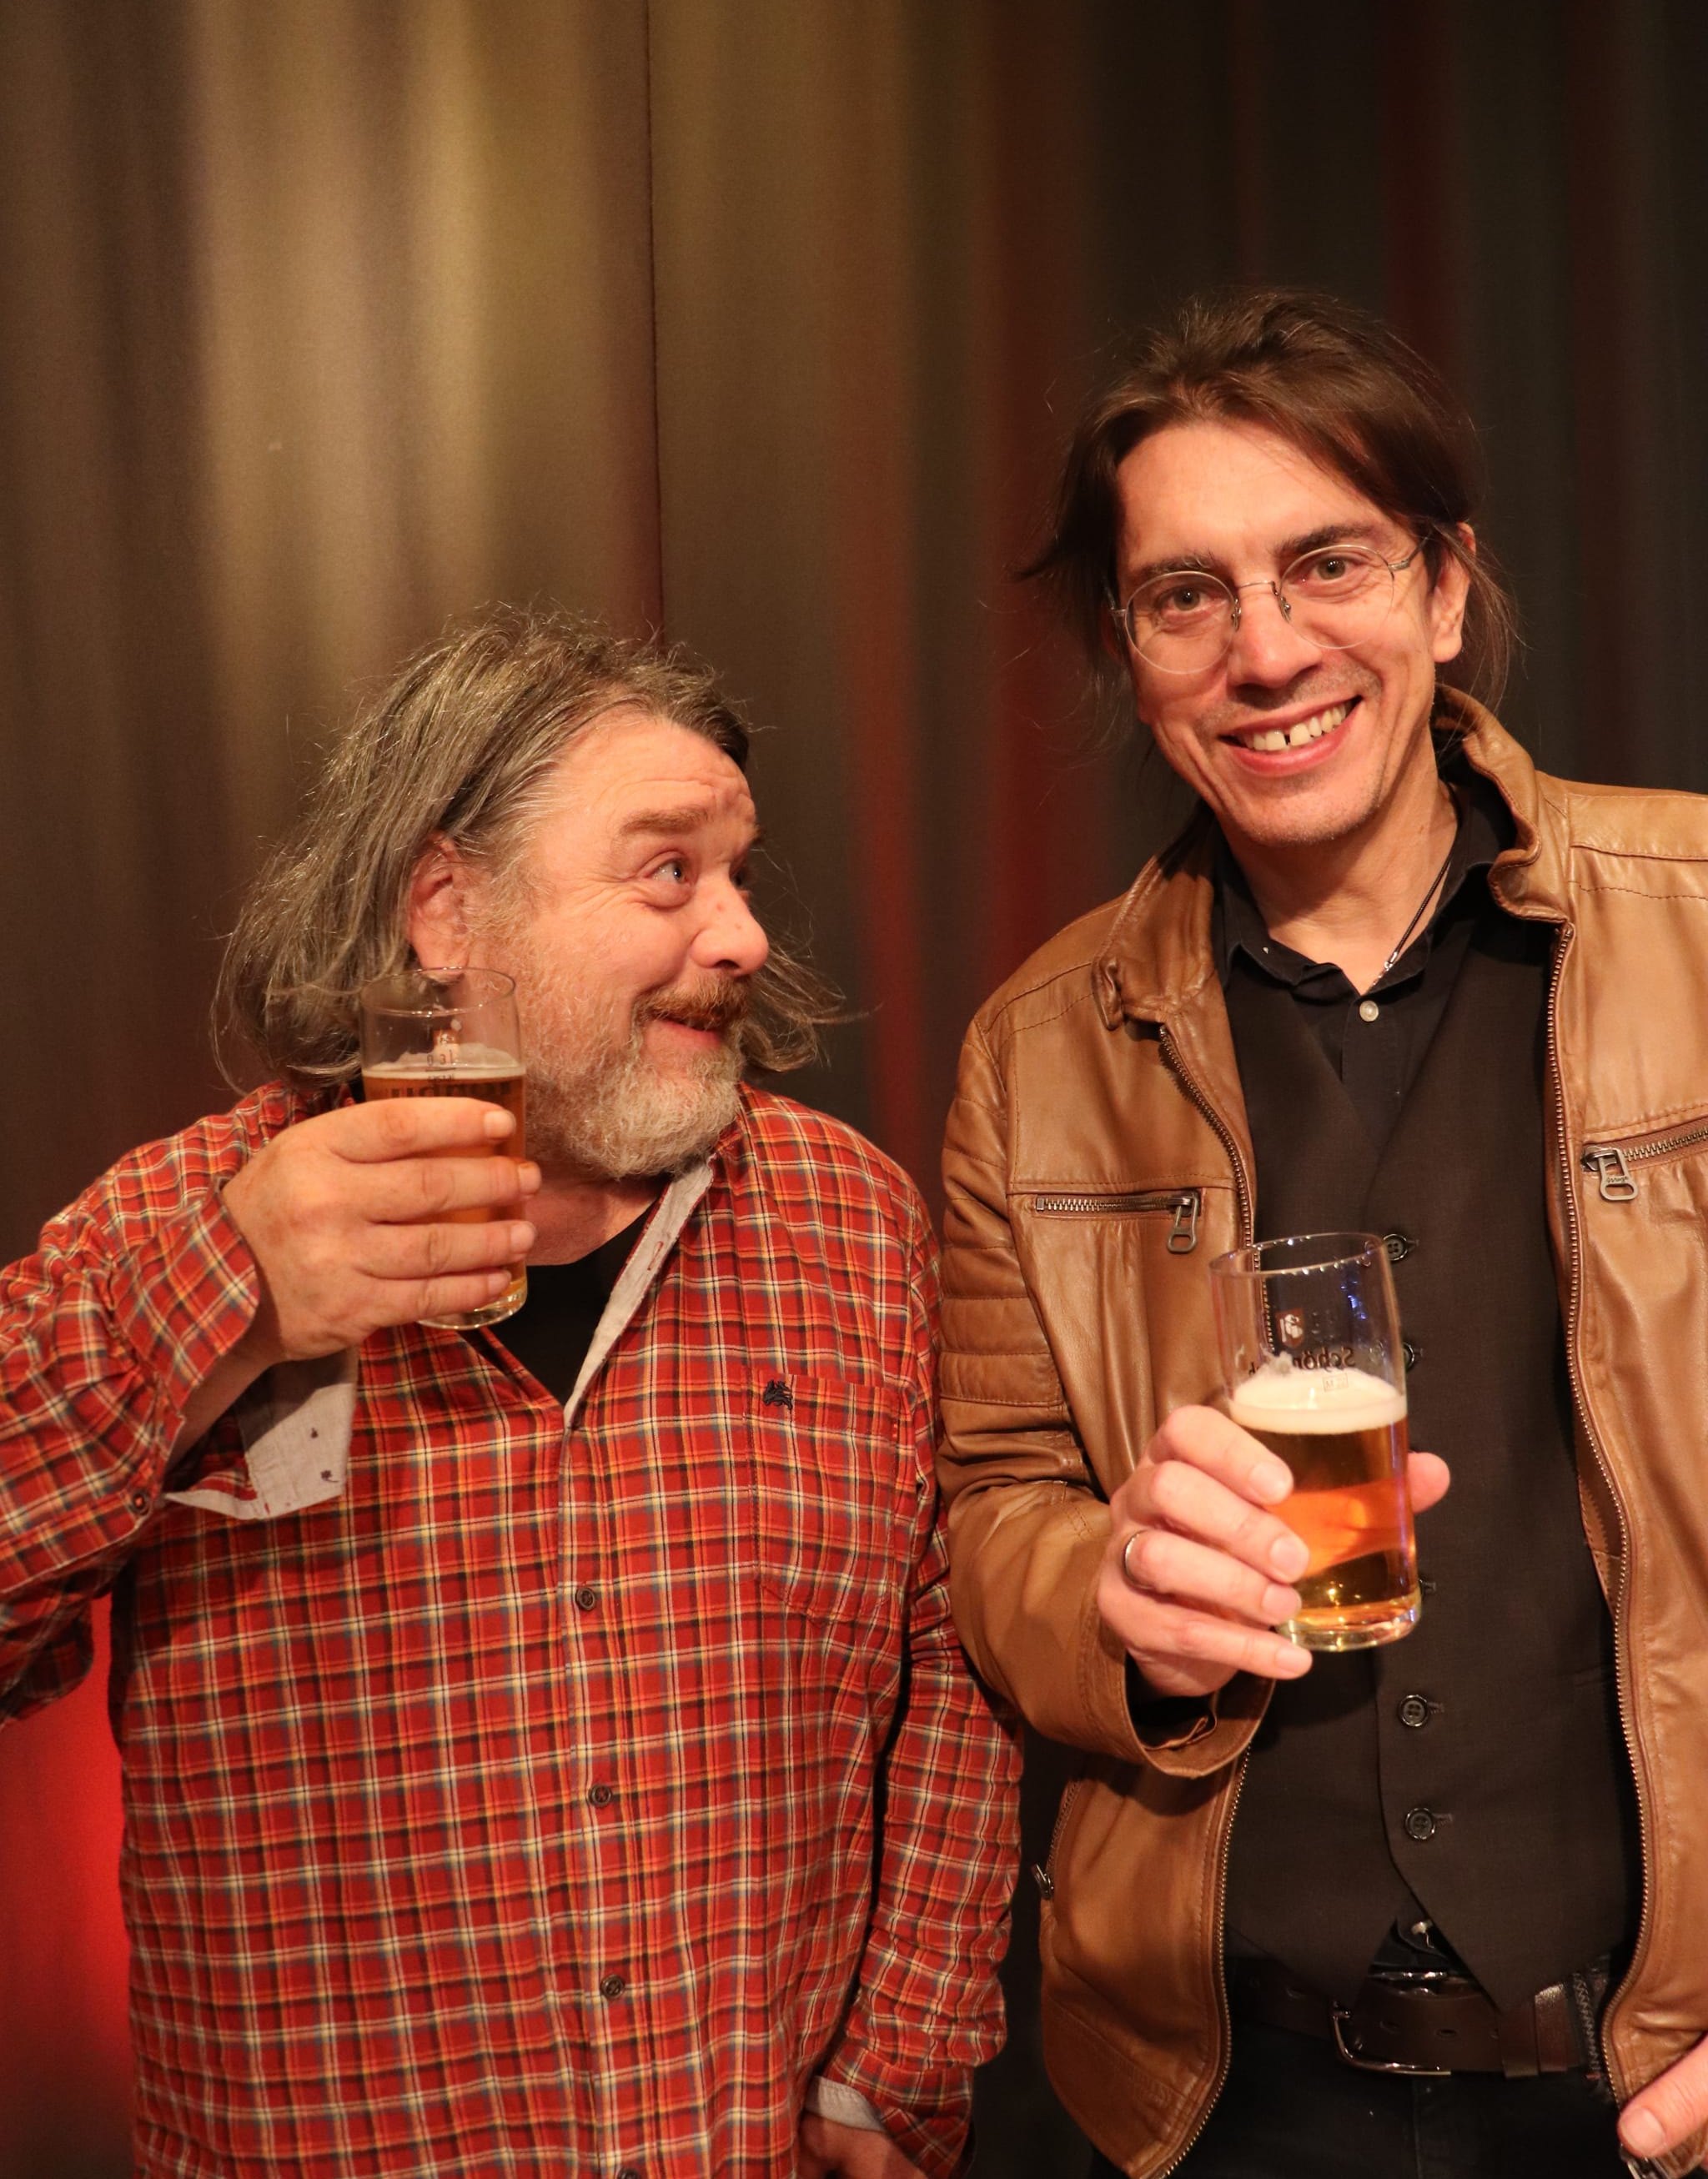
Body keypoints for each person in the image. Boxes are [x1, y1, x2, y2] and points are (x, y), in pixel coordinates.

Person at [1, 605, 1015, 2179]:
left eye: (740, 873)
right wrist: (222, 1301)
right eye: (668, 870)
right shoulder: (185, 1219)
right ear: (448, 911)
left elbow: (951, 1655)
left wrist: (896, 2069)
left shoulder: (849, 1221)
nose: (743, 934)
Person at [937, 289, 1708, 2178]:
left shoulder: (1698, 920)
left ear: (1443, 587)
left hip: (1652, 2079)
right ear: (1128, 652)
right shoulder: (1034, 1051)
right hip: (1225, 2099)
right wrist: (1110, 1591)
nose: (1265, 648)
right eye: (1184, 594)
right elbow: (994, 1507)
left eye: (1326, 562)